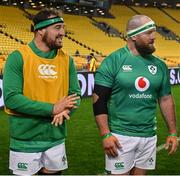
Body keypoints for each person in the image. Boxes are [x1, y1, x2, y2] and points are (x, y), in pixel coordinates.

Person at [92, 15, 178, 175]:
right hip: (120, 136)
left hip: (149, 136)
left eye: (154, 32)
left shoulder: (160, 66)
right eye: (149, 33)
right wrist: (105, 134)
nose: (154, 37)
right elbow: (99, 100)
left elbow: (166, 99)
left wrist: (172, 132)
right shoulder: (113, 61)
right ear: (133, 36)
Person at [3, 8, 81, 175]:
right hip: (25, 140)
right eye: (58, 28)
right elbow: (11, 98)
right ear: (40, 30)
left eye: (63, 27)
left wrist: (66, 110)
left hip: (56, 138)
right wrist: (52, 109)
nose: (63, 33)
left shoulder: (67, 60)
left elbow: (75, 95)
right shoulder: (18, 57)